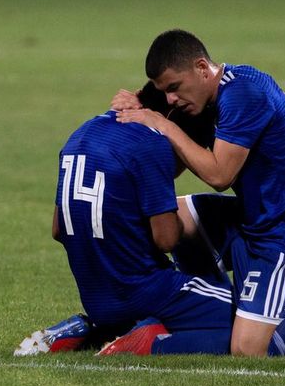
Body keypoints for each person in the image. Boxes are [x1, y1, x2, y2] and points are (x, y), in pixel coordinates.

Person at [112, 29, 285, 356]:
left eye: (174, 88)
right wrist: (145, 107)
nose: (171, 99)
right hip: (253, 219)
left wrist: (163, 124)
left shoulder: (245, 94)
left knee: (248, 350)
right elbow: (175, 164)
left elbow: (218, 174)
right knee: (169, 217)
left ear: (203, 68)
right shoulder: (204, 100)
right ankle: (209, 313)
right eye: (165, 92)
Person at [15, 83, 236, 357]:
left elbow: (58, 229)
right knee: (257, 322)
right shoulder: (152, 143)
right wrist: (177, 221)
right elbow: (166, 239)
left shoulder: (80, 133)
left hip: (98, 301)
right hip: (148, 291)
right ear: (171, 122)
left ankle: (88, 330)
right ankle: (150, 343)